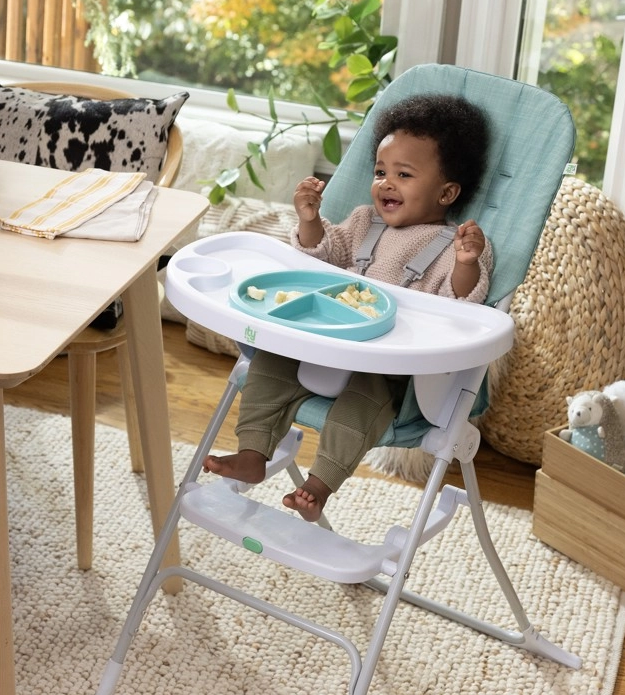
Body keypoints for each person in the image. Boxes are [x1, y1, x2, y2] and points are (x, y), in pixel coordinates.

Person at [204, 93, 494, 521]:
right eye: (380, 172)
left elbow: (464, 303)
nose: (386, 183)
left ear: (446, 192)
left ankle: (319, 484)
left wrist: (467, 264)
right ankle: (252, 452)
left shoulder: (454, 246)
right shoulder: (363, 221)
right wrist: (309, 221)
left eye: (404, 174)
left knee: (363, 403)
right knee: (268, 364)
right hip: (322, 343)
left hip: (385, 368)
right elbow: (320, 257)